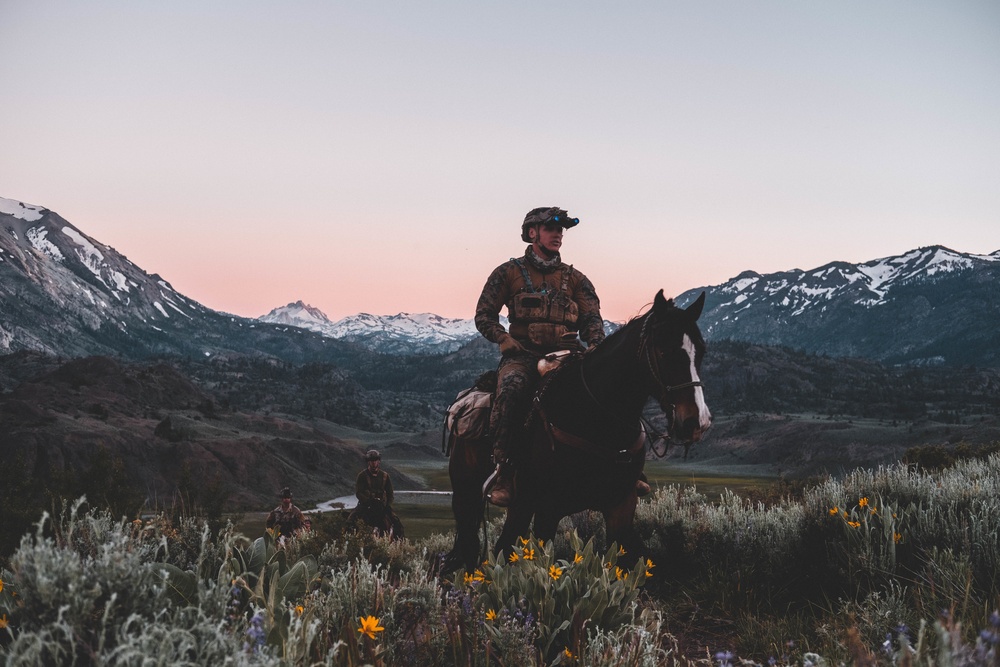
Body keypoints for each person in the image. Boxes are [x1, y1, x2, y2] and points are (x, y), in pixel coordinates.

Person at [475, 206, 608, 507]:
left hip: (569, 356)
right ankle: (504, 471)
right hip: (522, 355)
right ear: (532, 232)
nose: (558, 234)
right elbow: (484, 315)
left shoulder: (576, 279)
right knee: (510, 392)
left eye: (561, 230)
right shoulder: (507, 273)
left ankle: (623, 467)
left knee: (605, 390)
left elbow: (592, 319)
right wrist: (503, 338)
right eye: (551, 228)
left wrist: (597, 345)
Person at [351, 450, 404, 539]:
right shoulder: (362, 475)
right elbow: (359, 493)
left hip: (382, 505)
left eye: (376, 460)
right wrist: (367, 501)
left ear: (379, 461)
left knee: (397, 523)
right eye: (372, 460)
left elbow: (390, 493)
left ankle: (400, 542)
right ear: (368, 461)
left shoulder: (385, 476)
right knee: (351, 520)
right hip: (366, 505)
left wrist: (387, 505)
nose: (374, 462)